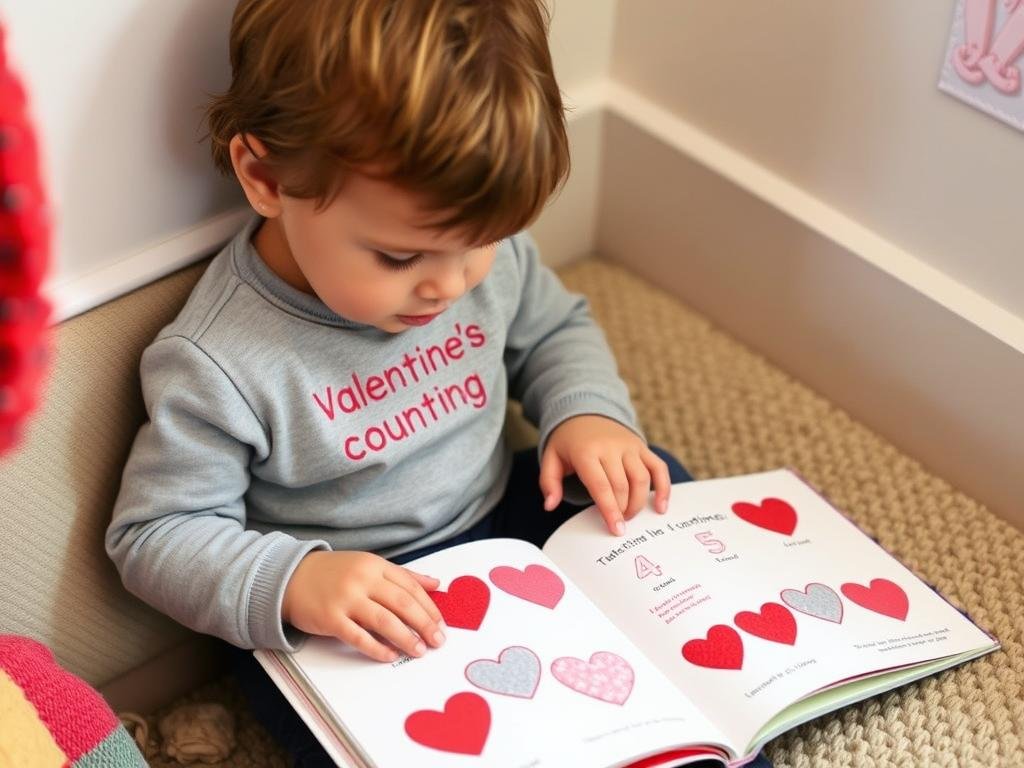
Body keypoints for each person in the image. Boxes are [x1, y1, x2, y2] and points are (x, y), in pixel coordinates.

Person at [106, 1, 722, 764]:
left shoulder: (466, 252)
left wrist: (587, 418)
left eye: (481, 245)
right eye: (400, 259)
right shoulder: (218, 361)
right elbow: (153, 535)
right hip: (354, 601)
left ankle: (704, 722)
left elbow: (555, 330)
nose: (450, 285)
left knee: (647, 493)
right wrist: (298, 583)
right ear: (265, 177)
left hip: (506, 512)